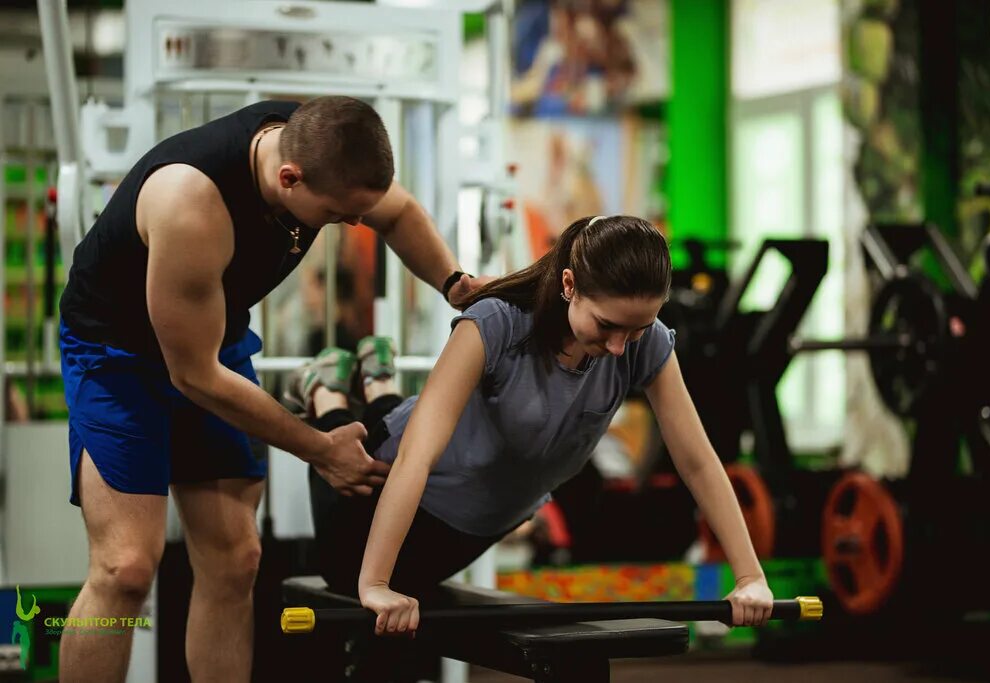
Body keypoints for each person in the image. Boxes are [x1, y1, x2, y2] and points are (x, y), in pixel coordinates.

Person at [56, 96, 484, 683]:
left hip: (211, 337)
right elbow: (194, 377)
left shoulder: (323, 144)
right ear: (289, 178)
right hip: (119, 355)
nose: (351, 224)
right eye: (337, 215)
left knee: (236, 562)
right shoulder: (190, 202)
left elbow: (395, 211)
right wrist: (319, 446)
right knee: (125, 568)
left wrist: (453, 282)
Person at [295, 215, 774, 638]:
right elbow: (416, 455)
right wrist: (375, 583)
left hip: (481, 519)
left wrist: (751, 575)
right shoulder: (495, 323)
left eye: (636, 329)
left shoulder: (644, 345)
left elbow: (697, 460)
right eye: (606, 325)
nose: (618, 347)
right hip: (383, 488)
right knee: (344, 577)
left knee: (414, 584)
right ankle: (328, 393)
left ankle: (377, 381)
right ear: (569, 284)